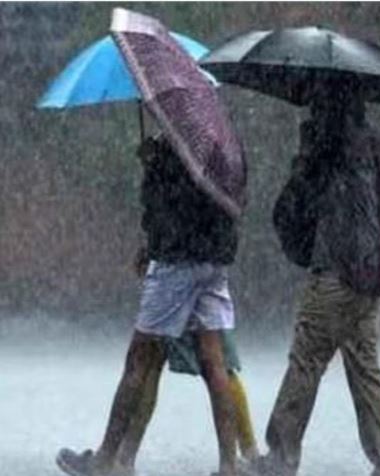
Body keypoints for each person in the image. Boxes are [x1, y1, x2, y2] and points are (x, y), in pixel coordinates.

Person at [57, 133, 243, 476]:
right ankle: (229, 466)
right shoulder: (222, 142)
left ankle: (106, 460)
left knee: (139, 360)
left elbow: (166, 209)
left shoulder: (176, 145)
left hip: (177, 263)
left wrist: (154, 167)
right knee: (214, 363)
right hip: (215, 260)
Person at [253, 87, 380, 476]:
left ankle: (280, 458)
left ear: (326, 107)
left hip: (336, 271)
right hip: (371, 275)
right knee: (365, 369)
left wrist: (306, 148)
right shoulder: (370, 145)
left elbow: (293, 202)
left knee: (306, 359)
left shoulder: (329, 144)